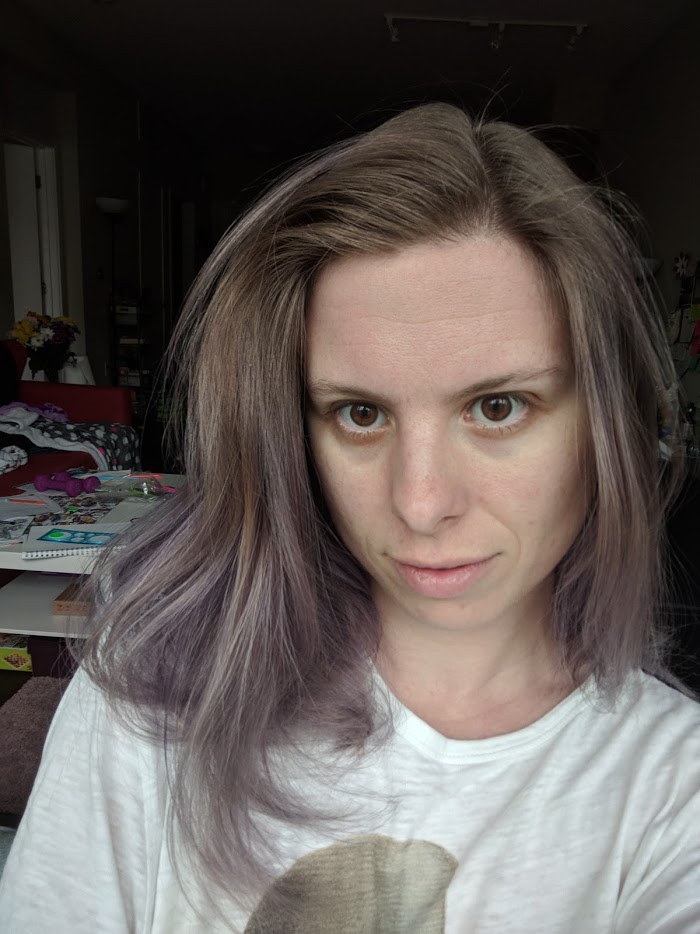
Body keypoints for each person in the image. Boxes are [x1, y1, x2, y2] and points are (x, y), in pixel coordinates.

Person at [1, 103, 699, 933]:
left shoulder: (671, 785)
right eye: (360, 414)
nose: (420, 503)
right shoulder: (155, 685)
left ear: (607, 423)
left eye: (498, 406)